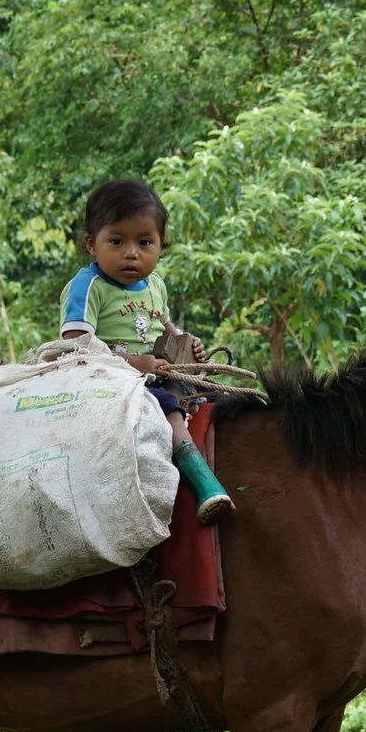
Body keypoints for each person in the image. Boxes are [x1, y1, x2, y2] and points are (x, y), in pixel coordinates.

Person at [60, 179, 234, 523]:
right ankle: (204, 484)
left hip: (157, 374)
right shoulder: (88, 286)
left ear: (160, 245)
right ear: (91, 245)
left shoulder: (155, 284)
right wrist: (133, 363)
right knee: (169, 410)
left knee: (222, 399)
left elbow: (162, 325)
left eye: (144, 242)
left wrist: (187, 341)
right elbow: (74, 347)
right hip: (109, 383)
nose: (131, 252)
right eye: (116, 241)